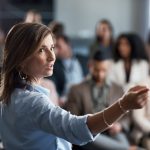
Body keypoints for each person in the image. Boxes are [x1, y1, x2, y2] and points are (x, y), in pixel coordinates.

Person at [0, 22, 149, 150]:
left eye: (52, 48)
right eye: (41, 50)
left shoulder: (9, 98)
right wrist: (123, 105)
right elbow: (79, 130)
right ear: (21, 59)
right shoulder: (33, 102)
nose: (52, 56)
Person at [65, 50, 133, 150]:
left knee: (122, 144)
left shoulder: (118, 88)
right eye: (97, 70)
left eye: (104, 70)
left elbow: (126, 116)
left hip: (111, 131)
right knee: (123, 147)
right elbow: (72, 119)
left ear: (109, 68)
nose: (100, 74)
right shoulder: (76, 90)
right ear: (90, 66)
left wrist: (120, 126)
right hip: (89, 132)